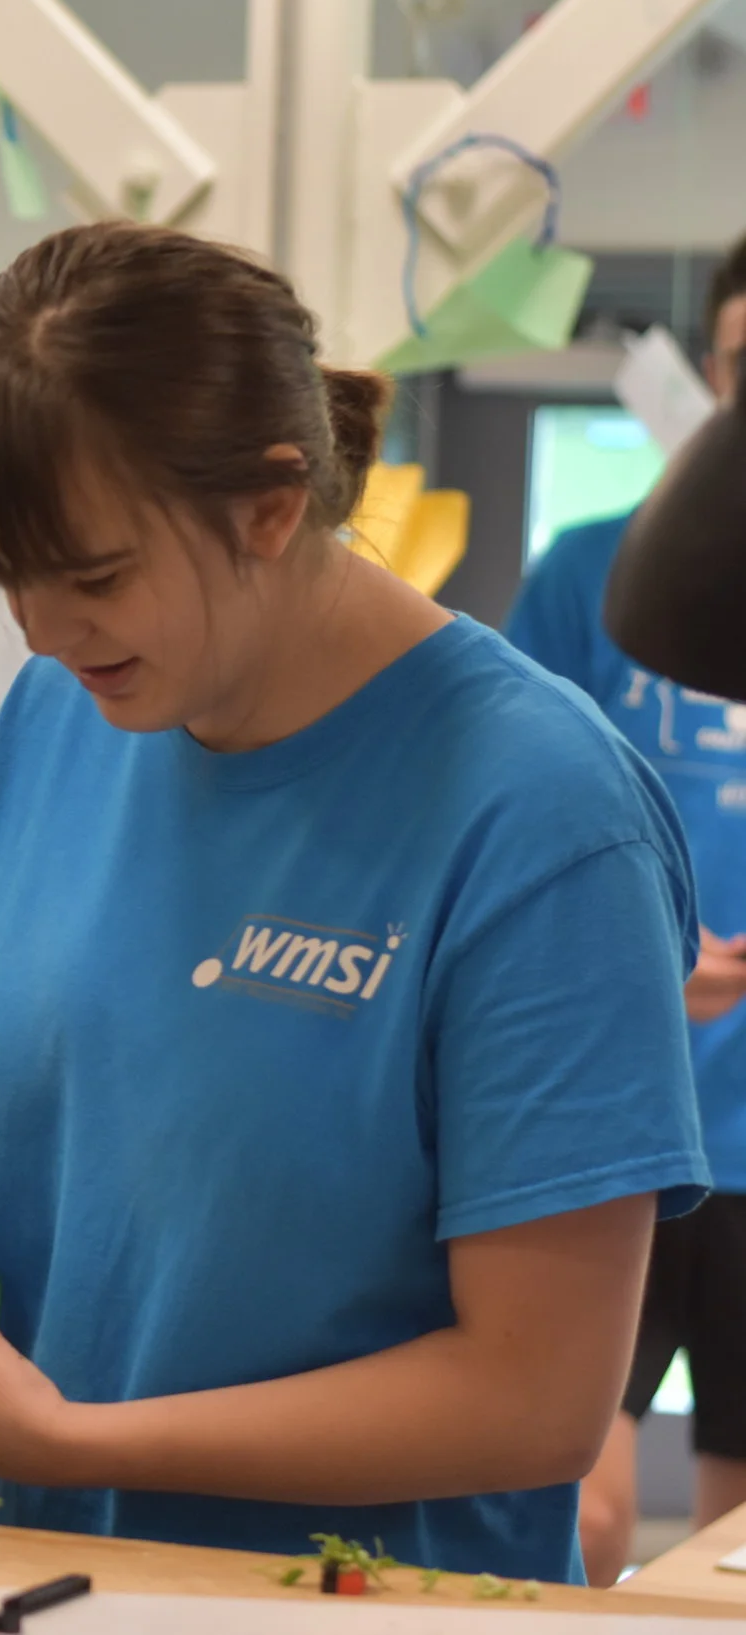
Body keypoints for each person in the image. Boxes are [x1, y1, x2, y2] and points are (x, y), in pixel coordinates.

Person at [0, 221, 707, 1582]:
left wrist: (85, 1436)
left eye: (92, 577)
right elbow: (0, 1157)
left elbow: (536, 1399)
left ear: (273, 505)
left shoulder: (543, 813)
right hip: (16, 1580)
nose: (40, 627)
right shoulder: (65, 711)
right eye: (12, 576)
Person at [508, 233, 746, 1583]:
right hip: (619, 1127)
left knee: (728, 1546)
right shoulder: (600, 575)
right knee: (579, 1516)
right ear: (710, 366)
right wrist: (646, 962)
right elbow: (510, 812)